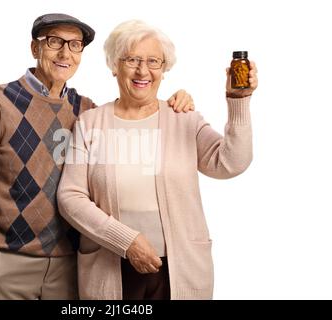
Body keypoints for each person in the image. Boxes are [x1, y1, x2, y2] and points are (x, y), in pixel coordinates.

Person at [0, 13, 196, 300]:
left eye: (75, 45)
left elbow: (128, 115)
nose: (65, 53)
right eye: (55, 41)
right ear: (35, 48)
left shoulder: (85, 111)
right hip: (8, 259)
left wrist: (173, 101)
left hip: (68, 263)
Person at [57, 19, 258, 300]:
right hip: (109, 268)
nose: (143, 71)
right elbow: (70, 197)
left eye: (154, 61)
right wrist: (126, 241)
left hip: (180, 270)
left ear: (164, 69)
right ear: (114, 65)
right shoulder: (90, 123)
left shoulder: (184, 118)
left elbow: (230, 163)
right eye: (132, 59)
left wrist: (238, 102)